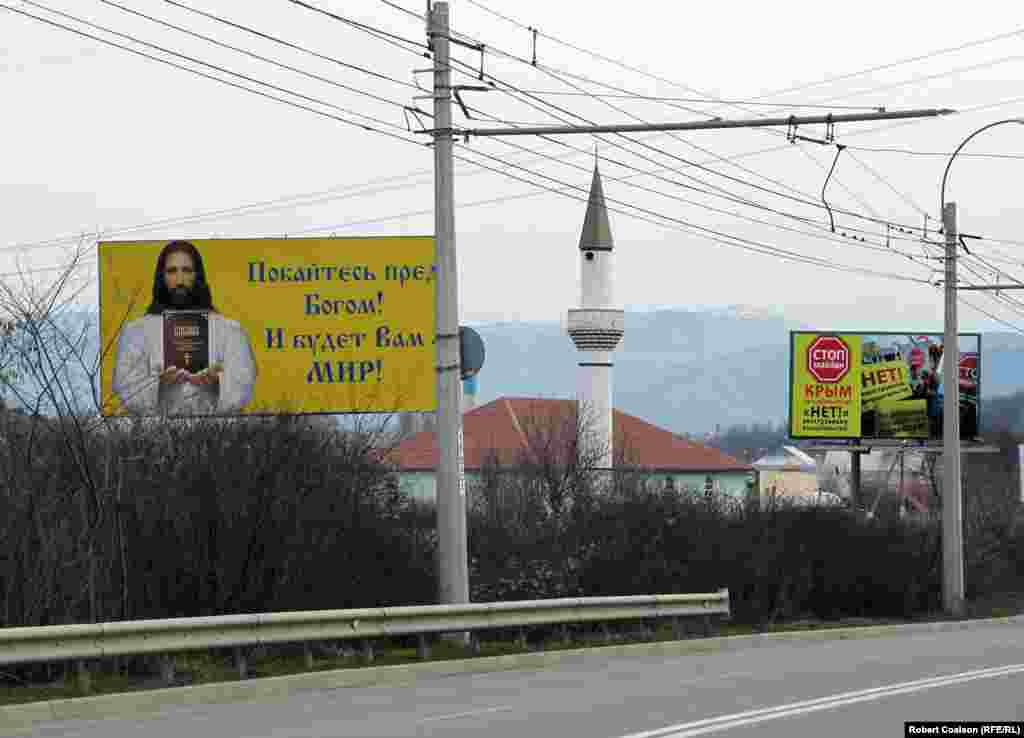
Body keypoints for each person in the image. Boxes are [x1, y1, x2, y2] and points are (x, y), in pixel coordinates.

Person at [112, 240, 256, 415]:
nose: (180, 280)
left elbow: (244, 384)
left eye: (187, 271)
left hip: (218, 434)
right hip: (155, 436)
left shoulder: (230, 330)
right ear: (161, 276)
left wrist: (218, 382)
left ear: (198, 275)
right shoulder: (136, 332)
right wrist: (159, 383)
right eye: (172, 271)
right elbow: (125, 387)